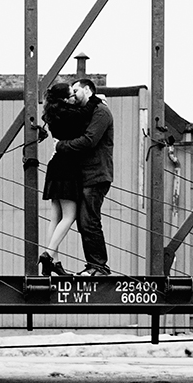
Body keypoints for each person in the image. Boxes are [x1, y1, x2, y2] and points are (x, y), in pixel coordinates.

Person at [51, 76, 114, 275]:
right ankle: (94, 264)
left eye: (76, 91)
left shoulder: (101, 112)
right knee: (84, 221)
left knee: (89, 220)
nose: (74, 95)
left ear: (87, 90)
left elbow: (88, 141)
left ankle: (98, 266)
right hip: (86, 175)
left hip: (96, 174)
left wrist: (60, 146)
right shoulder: (89, 111)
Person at [38, 82, 86, 276]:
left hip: (56, 165)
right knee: (69, 215)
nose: (74, 96)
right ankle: (48, 255)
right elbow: (85, 115)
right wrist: (95, 100)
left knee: (55, 217)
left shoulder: (53, 115)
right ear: (66, 99)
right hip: (68, 167)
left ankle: (54, 262)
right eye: (71, 94)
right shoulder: (72, 114)